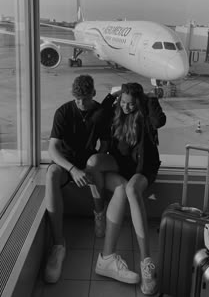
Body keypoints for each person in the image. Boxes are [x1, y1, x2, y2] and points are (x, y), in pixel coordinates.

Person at [87, 82, 166, 295]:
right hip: (120, 164)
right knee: (93, 162)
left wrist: (151, 100)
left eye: (130, 104)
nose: (126, 107)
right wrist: (111, 96)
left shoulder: (144, 115)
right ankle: (99, 212)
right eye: (123, 102)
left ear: (138, 102)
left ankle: (146, 263)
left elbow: (159, 121)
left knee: (130, 190)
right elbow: (95, 120)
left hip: (143, 168)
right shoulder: (116, 110)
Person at [44, 74, 109, 284]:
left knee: (94, 163)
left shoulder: (100, 113)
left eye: (86, 98)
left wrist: (93, 162)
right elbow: (53, 149)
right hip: (68, 164)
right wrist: (72, 169)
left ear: (93, 94)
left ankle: (99, 213)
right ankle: (58, 244)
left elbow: (105, 145)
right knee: (52, 173)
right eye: (77, 98)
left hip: (88, 161)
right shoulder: (63, 112)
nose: (81, 103)